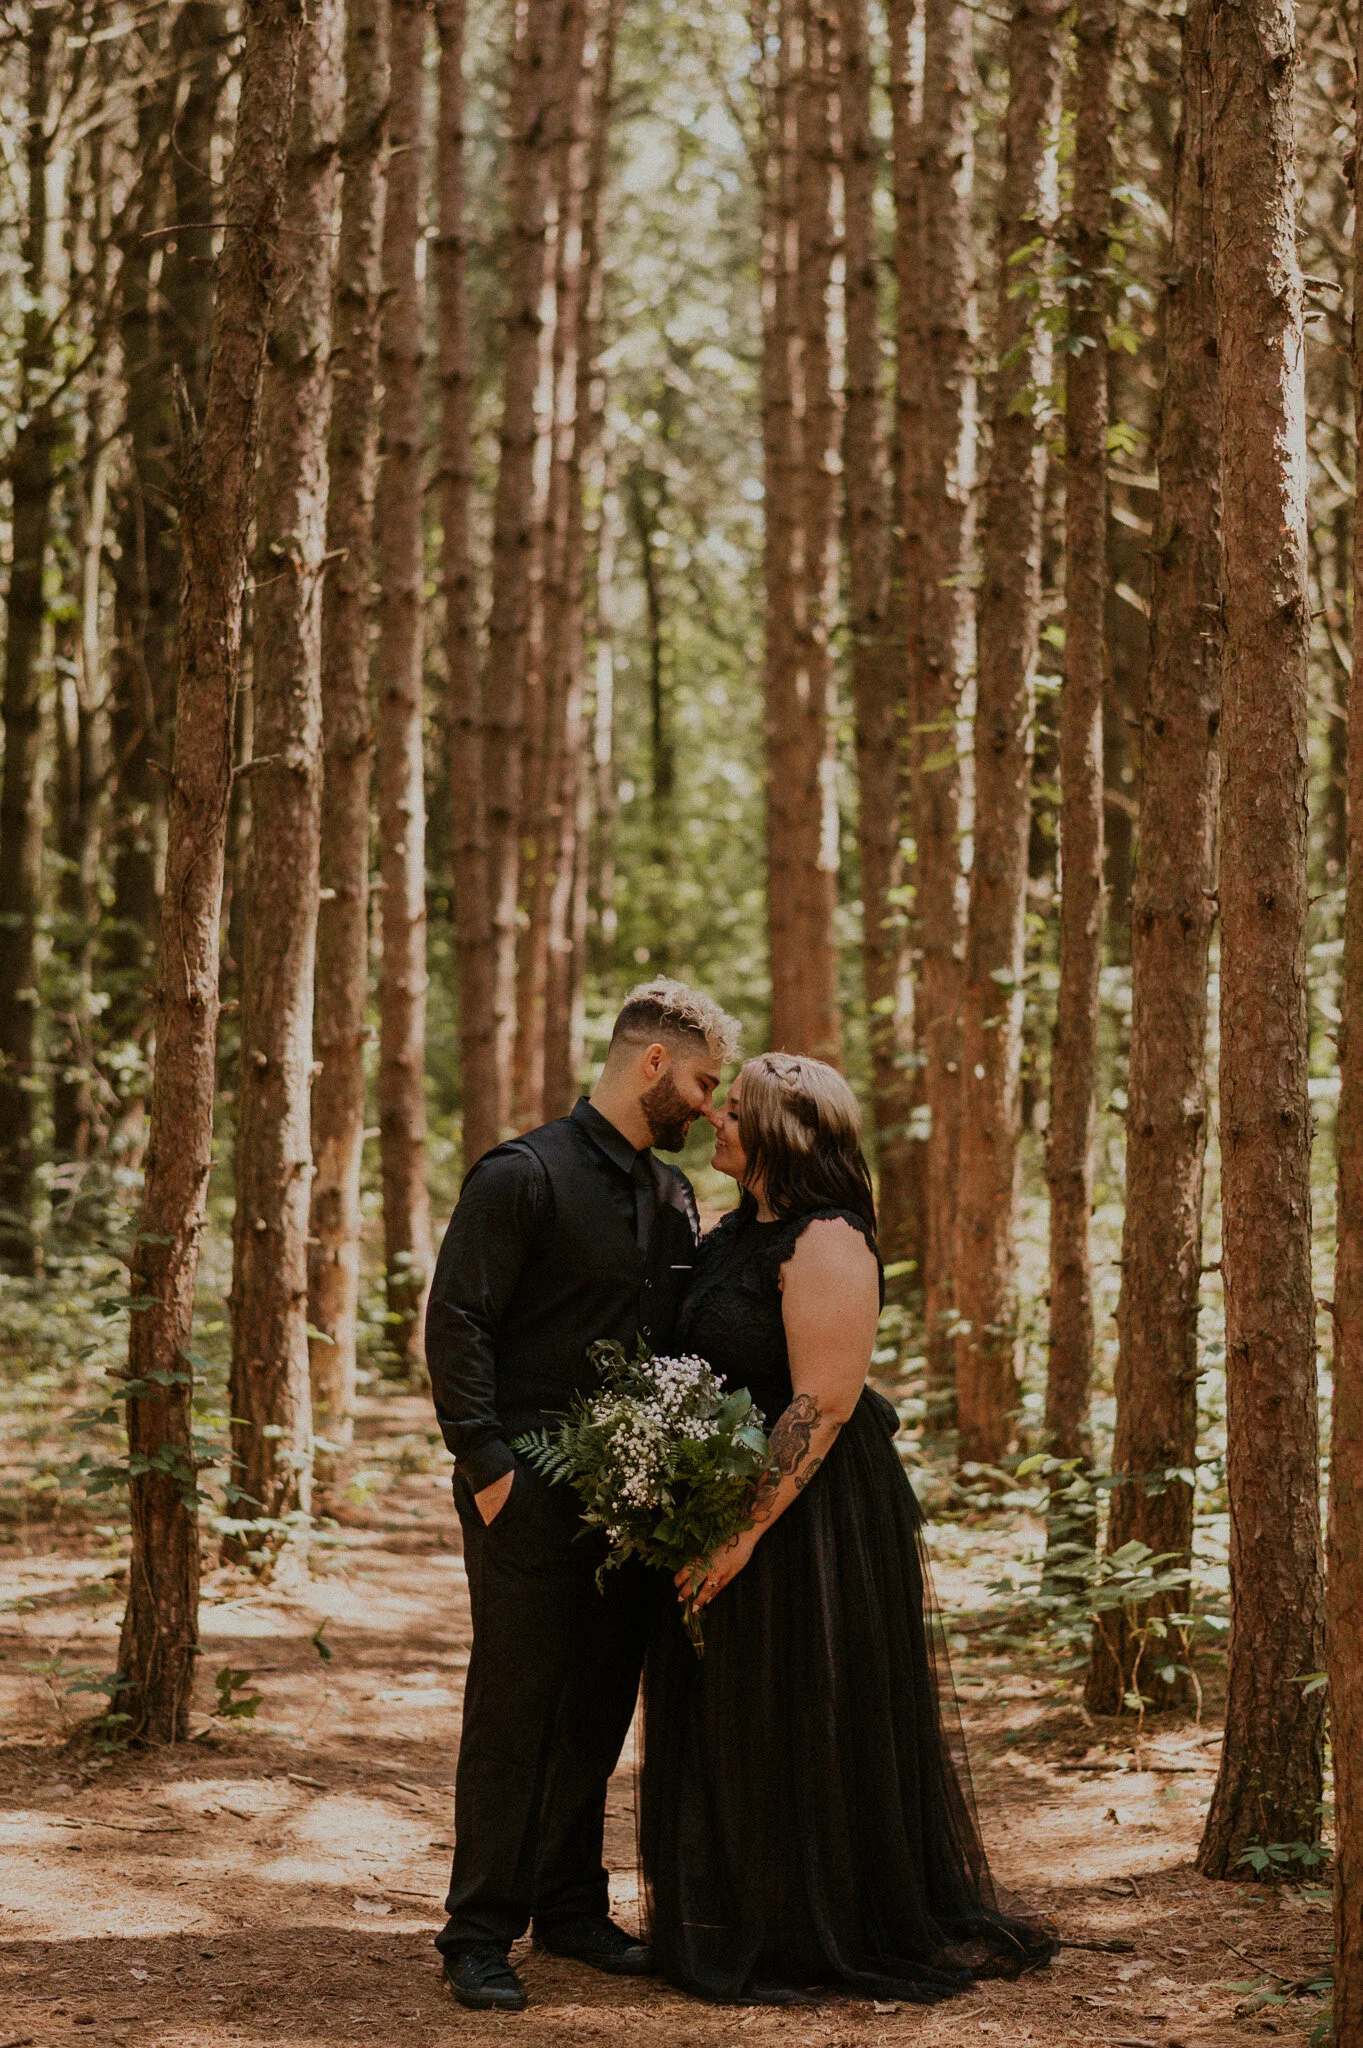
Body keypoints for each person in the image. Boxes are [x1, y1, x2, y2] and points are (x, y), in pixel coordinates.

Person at [639, 1051, 1056, 2006]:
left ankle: (808, 1924)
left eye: (735, 1112)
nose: (717, 1122)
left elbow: (820, 1407)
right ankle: (737, 1907)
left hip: (809, 1509)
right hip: (734, 1492)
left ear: (784, 1134)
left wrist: (740, 1532)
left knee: (803, 1701)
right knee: (735, 1702)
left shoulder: (827, 1239)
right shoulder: (735, 1232)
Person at [426, 978, 741, 2012]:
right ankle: (478, 1929)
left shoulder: (671, 1196)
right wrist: (489, 1470)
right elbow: (459, 1321)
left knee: (598, 1703)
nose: (707, 1103)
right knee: (516, 1707)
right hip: (522, 1491)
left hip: (629, 1502)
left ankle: (567, 1904)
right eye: (701, 1080)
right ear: (653, 1061)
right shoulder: (521, 1175)